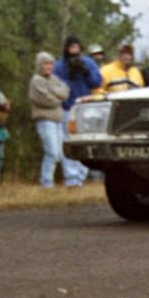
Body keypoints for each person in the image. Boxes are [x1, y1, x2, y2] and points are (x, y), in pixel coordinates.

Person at [54, 36, 101, 187]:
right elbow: (55, 84)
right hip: (68, 107)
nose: (74, 50)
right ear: (66, 48)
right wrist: (69, 74)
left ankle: (81, 176)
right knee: (68, 142)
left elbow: (97, 82)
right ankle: (71, 178)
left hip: (85, 107)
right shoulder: (60, 65)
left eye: (76, 47)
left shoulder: (88, 62)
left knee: (85, 142)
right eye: (71, 47)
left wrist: (86, 72)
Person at [29, 52, 69, 188]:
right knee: (51, 152)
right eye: (46, 64)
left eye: (51, 64)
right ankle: (46, 182)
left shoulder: (54, 79)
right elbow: (45, 99)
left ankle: (52, 181)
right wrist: (57, 96)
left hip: (58, 119)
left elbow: (65, 92)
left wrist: (52, 91)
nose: (49, 67)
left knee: (60, 153)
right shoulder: (36, 80)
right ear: (40, 65)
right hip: (45, 120)